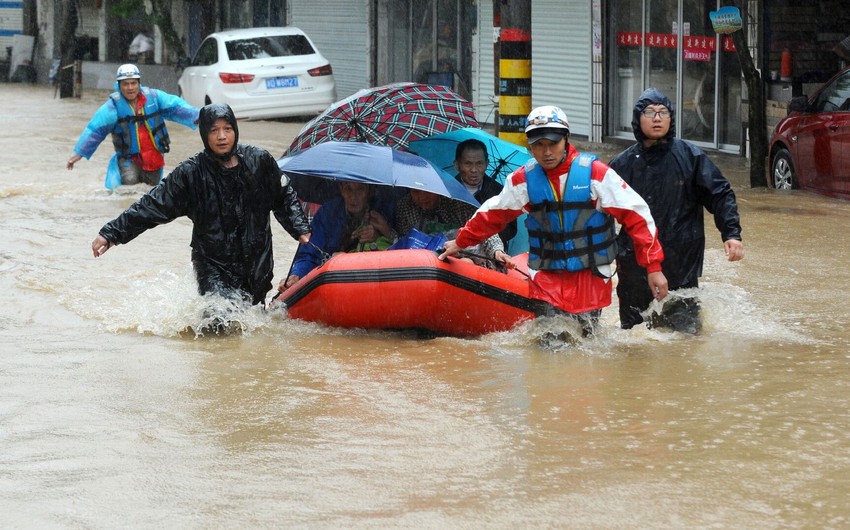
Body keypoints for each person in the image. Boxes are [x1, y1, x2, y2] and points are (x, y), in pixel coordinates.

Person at [439, 105, 668, 337]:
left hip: (590, 279)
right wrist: (460, 242)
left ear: (566, 139)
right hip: (546, 280)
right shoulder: (523, 181)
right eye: (538, 145)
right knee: (549, 347)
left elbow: (637, 216)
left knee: (587, 350)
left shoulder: (596, 175)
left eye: (553, 144)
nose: (546, 152)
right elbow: (492, 214)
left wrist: (654, 267)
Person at [90, 103, 311, 307]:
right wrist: (112, 233)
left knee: (251, 323)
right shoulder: (191, 173)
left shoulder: (259, 161)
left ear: (235, 130)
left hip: (256, 262)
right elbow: (152, 205)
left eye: (227, 129)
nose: (222, 136)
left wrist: (299, 228)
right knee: (218, 320)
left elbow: (283, 195)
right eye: (214, 131)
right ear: (205, 134)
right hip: (212, 264)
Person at [608, 88, 743, 334]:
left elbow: (720, 194)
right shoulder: (621, 165)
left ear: (671, 119)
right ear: (638, 119)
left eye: (663, 112)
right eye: (649, 112)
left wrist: (731, 233)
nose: (657, 118)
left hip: (681, 261)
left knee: (684, 337)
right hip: (634, 265)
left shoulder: (691, 157)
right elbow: (601, 211)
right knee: (633, 338)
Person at [67, 64, 199, 190]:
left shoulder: (154, 98)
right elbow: (95, 131)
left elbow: (176, 107)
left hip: (154, 159)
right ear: (119, 85)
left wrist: (198, 117)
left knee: (151, 193)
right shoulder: (112, 108)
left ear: (139, 83)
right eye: (125, 84)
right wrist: (79, 154)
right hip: (129, 159)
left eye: (133, 83)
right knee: (129, 188)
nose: (130, 88)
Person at [282, 181, 396, 289]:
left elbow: (401, 248)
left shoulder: (385, 210)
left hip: (371, 278)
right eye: (348, 189)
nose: (353, 196)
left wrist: (382, 234)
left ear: (370, 191)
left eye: (360, 189)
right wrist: (297, 274)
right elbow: (309, 253)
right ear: (341, 189)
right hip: (332, 277)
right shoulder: (328, 213)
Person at [394, 188, 508, 267]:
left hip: (466, 256)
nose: (422, 197)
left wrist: (497, 251)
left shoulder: (459, 204)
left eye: (427, 191)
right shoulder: (405, 207)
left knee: (465, 264)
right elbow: (404, 239)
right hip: (423, 260)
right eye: (416, 192)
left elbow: (483, 228)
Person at [454, 139, 517, 249]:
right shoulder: (449, 189)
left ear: (487, 163)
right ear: (457, 165)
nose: (474, 170)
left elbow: (511, 229)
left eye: (479, 164)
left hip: (490, 253)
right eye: (468, 164)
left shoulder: (500, 193)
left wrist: (483, 236)